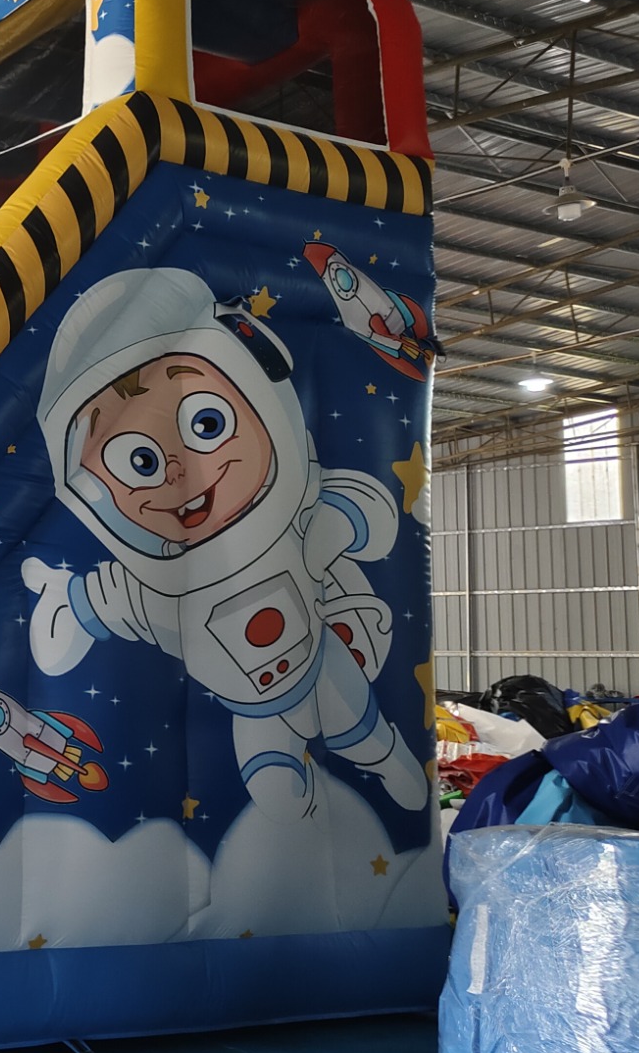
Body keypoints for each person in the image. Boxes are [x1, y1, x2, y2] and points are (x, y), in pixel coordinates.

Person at [23, 267, 427, 821]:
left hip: (321, 663)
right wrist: (65, 602)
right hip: (251, 707)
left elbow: (366, 510)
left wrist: (340, 522)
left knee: (355, 723)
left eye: (207, 424)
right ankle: (297, 819)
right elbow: (103, 601)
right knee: (274, 782)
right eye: (139, 462)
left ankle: (382, 755)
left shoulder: (295, 531)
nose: (177, 471)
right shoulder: (160, 587)